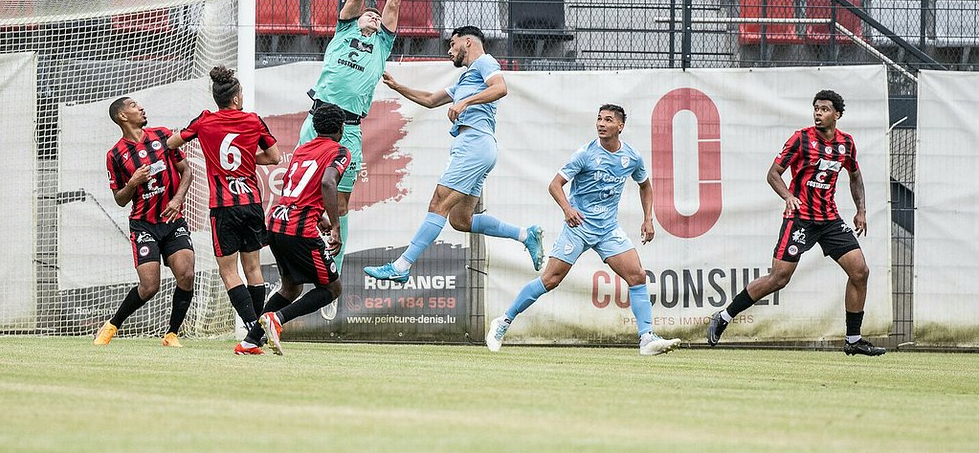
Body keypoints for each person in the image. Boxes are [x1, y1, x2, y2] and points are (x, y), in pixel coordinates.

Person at [484, 104, 682, 356]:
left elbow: (645, 186)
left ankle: (646, 338)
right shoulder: (585, 154)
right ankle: (503, 322)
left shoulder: (631, 157)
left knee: (637, 276)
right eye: (599, 119)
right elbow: (555, 185)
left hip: (608, 229)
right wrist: (568, 210)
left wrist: (648, 219)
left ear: (620, 126)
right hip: (578, 227)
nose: (601, 124)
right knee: (550, 280)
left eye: (608, 120)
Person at [707, 90, 885, 356]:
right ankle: (724, 316)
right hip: (800, 218)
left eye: (824, 109)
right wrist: (788, 196)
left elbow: (855, 175)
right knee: (779, 278)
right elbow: (773, 174)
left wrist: (861, 210)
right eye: (816, 108)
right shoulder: (801, 139)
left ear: (837, 115)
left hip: (830, 220)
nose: (818, 113)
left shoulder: (846, 143)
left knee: (860, 272)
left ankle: (853, 339)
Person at [363, 26, 544, 283]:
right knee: (461, 220)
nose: (449, 50)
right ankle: (526, 235)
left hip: (474, 144)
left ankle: (401, 266)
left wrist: (465, 102)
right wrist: (398, 87)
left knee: (438, 204)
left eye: (452, 44)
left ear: (467, 42)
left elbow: (500, 87)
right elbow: (430, 99)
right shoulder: (465, 79)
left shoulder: (485, 62)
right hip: (477, 146)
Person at [300, 0, 414, 321]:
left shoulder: (381, 44)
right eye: (368, 13)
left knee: (341, 204)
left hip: (348, 129)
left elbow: (393, 4)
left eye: (376, 17)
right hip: (317, 120)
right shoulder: (345, 30)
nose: (373, 16)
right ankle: (298, 259)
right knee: (301, 193)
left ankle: (329, 275)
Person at [165, 66, 282, 355]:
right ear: (236, 98)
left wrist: (206, 147)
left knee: (228, 271)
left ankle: (254, 329)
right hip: (251, 203)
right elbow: (274, 157)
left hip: (224, 207)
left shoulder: (205, 121)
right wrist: (246, 157)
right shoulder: (253, 120)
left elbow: (171, 143)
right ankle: (256, 335)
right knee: (253, 269)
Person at [240, 104, 351, 355]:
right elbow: (327, 182)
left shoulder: (302, 149)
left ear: (315, 127)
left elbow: (295, 187)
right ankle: (277, 319)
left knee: (291, 287)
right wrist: (335, 225)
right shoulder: (339, 150)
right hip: (299, 229)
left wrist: (319, 215)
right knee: (332, 289)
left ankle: (250, 341)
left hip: (277, 223)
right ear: (341, 129)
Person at [95, 96, 195, 347]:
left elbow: (186, 171)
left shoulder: (162, 136)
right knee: (149, 287)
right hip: (144, 225)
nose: (140, 108)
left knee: (186, 275)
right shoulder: (115, 154)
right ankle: (112, 325)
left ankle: (172, 334)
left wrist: (178, 199)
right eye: (133, 106)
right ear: (122, 116)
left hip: (172, 220)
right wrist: (132, 183)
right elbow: (120, 199)